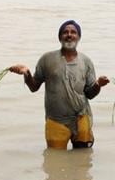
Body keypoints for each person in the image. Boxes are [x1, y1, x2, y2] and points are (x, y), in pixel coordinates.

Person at [9, 20, 110, 149]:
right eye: (65, 32)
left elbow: (90, 94)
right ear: (59, 37)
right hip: (56, 120)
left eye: (73, 32)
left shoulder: (86, 61)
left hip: (81, 118)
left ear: (79, 37)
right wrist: (26, 73)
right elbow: (34, 87)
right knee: (55, 161)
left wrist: (98, 84)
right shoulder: (47, 59)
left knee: (82, 161)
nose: (69, 34)